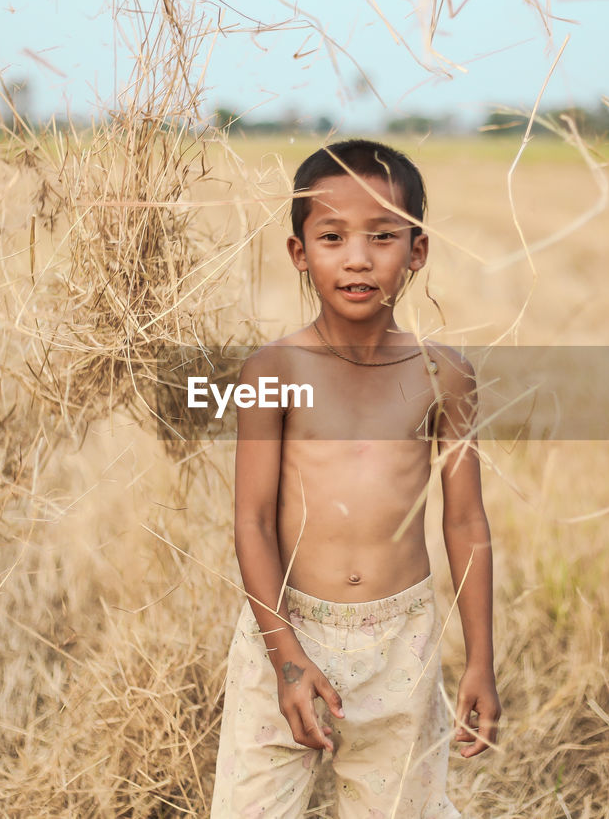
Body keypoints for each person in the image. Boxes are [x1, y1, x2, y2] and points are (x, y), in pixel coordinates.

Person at [211, 139, 499, 818]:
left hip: (401, 641)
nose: (359, 257)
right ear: (299, 252)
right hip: (287, 628)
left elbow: (465, 521)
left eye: (382, 235)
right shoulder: (272, 371)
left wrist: (480, 658)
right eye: (333, 236)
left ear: (417, 250)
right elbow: (251, 520)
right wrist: (286, 658)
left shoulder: (443, 374)